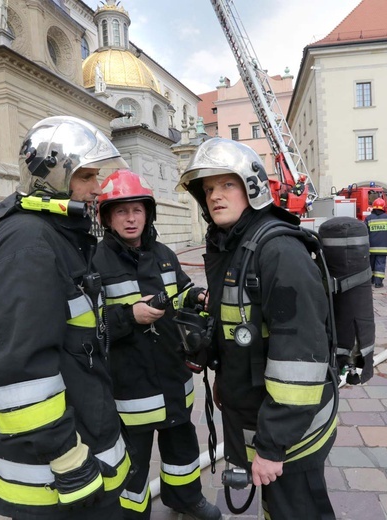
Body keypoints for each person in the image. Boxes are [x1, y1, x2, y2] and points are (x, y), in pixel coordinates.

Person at [0, 116, 133, 520]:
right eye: (86, 176)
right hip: (51, 480)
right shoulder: (31, 243)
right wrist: (67, 459)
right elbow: (19, 371)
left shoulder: (56, 235)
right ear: (53, 176)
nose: (99, 188)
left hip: (78, 441)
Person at [176, 138, 337, 520]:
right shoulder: (234, 245)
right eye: (209, 188)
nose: (215, 195)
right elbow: (238, 328)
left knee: (297, 510)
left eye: (226, 184)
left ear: (252, 186)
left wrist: (272, 447)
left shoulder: (278, 250)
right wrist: (224, 379)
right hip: (259, 414)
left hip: (292, 434)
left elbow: (299, 359)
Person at [93, 169, 222, 520]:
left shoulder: (164, 253)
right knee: (131, 462)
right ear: (106, 216)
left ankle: (185, 498)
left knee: (182, 446)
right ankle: (133, 514)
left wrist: (196, 295)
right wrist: (128, 316)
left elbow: (178, 293)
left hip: (172, 373)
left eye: (137, 210)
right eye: (121, 211)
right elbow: (88, 322)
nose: (131, 218)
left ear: (148, 213)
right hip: (130, 383)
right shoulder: (95, 261)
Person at [365, 197, 387, 288]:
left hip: (371, 247)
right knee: (380, 264)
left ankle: (370, 280)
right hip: (383, 247)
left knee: (371, 264)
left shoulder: (369, 218)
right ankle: (378, 283)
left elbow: (364, 232)